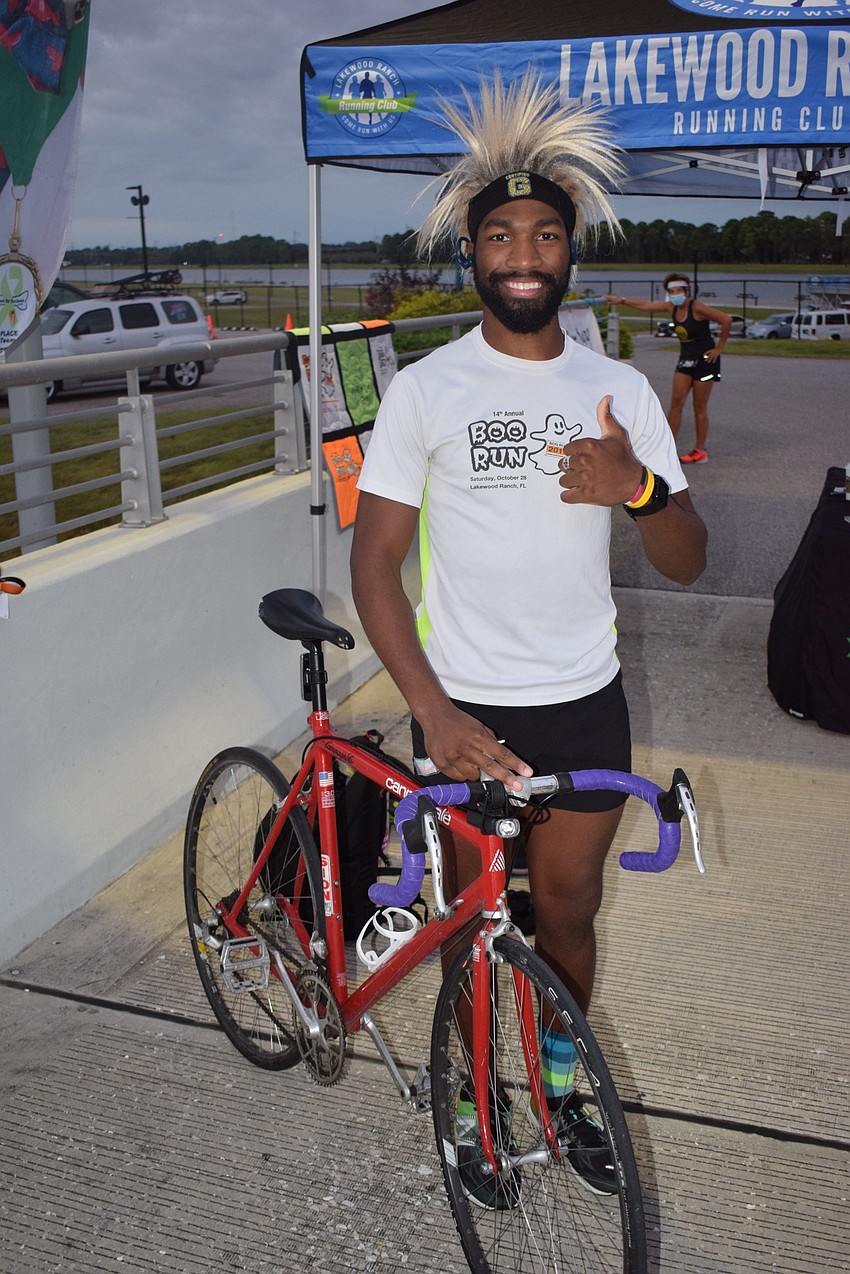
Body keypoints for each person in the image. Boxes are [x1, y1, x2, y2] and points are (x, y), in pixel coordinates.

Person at [350, 71, 707, 1198]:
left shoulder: (616, 390)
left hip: (584, 698)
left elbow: (688, 557)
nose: (521, 254)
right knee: (473, 925)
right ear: (473, 252)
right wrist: (435, 713)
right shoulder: (426, 389)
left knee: (567, 914)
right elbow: (372, 564)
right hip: (466, 705)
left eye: (543, 235)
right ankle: (469, 1097)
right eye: (500, 235)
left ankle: (559, 1087)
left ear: (569, 253)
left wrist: (638, 488)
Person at [607, 274, 731, 464]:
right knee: (676, 403)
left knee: (699, 406)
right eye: (671, 292)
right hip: (685, 360)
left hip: (706, 361)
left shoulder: (696, 307)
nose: (675, 295)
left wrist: (719, 348)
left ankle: (700, 451)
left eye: (678, 291)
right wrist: (621, 301)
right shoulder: (671, 307)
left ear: (686, 291)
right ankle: (667, 449)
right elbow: (646, 306)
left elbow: (726, 320)